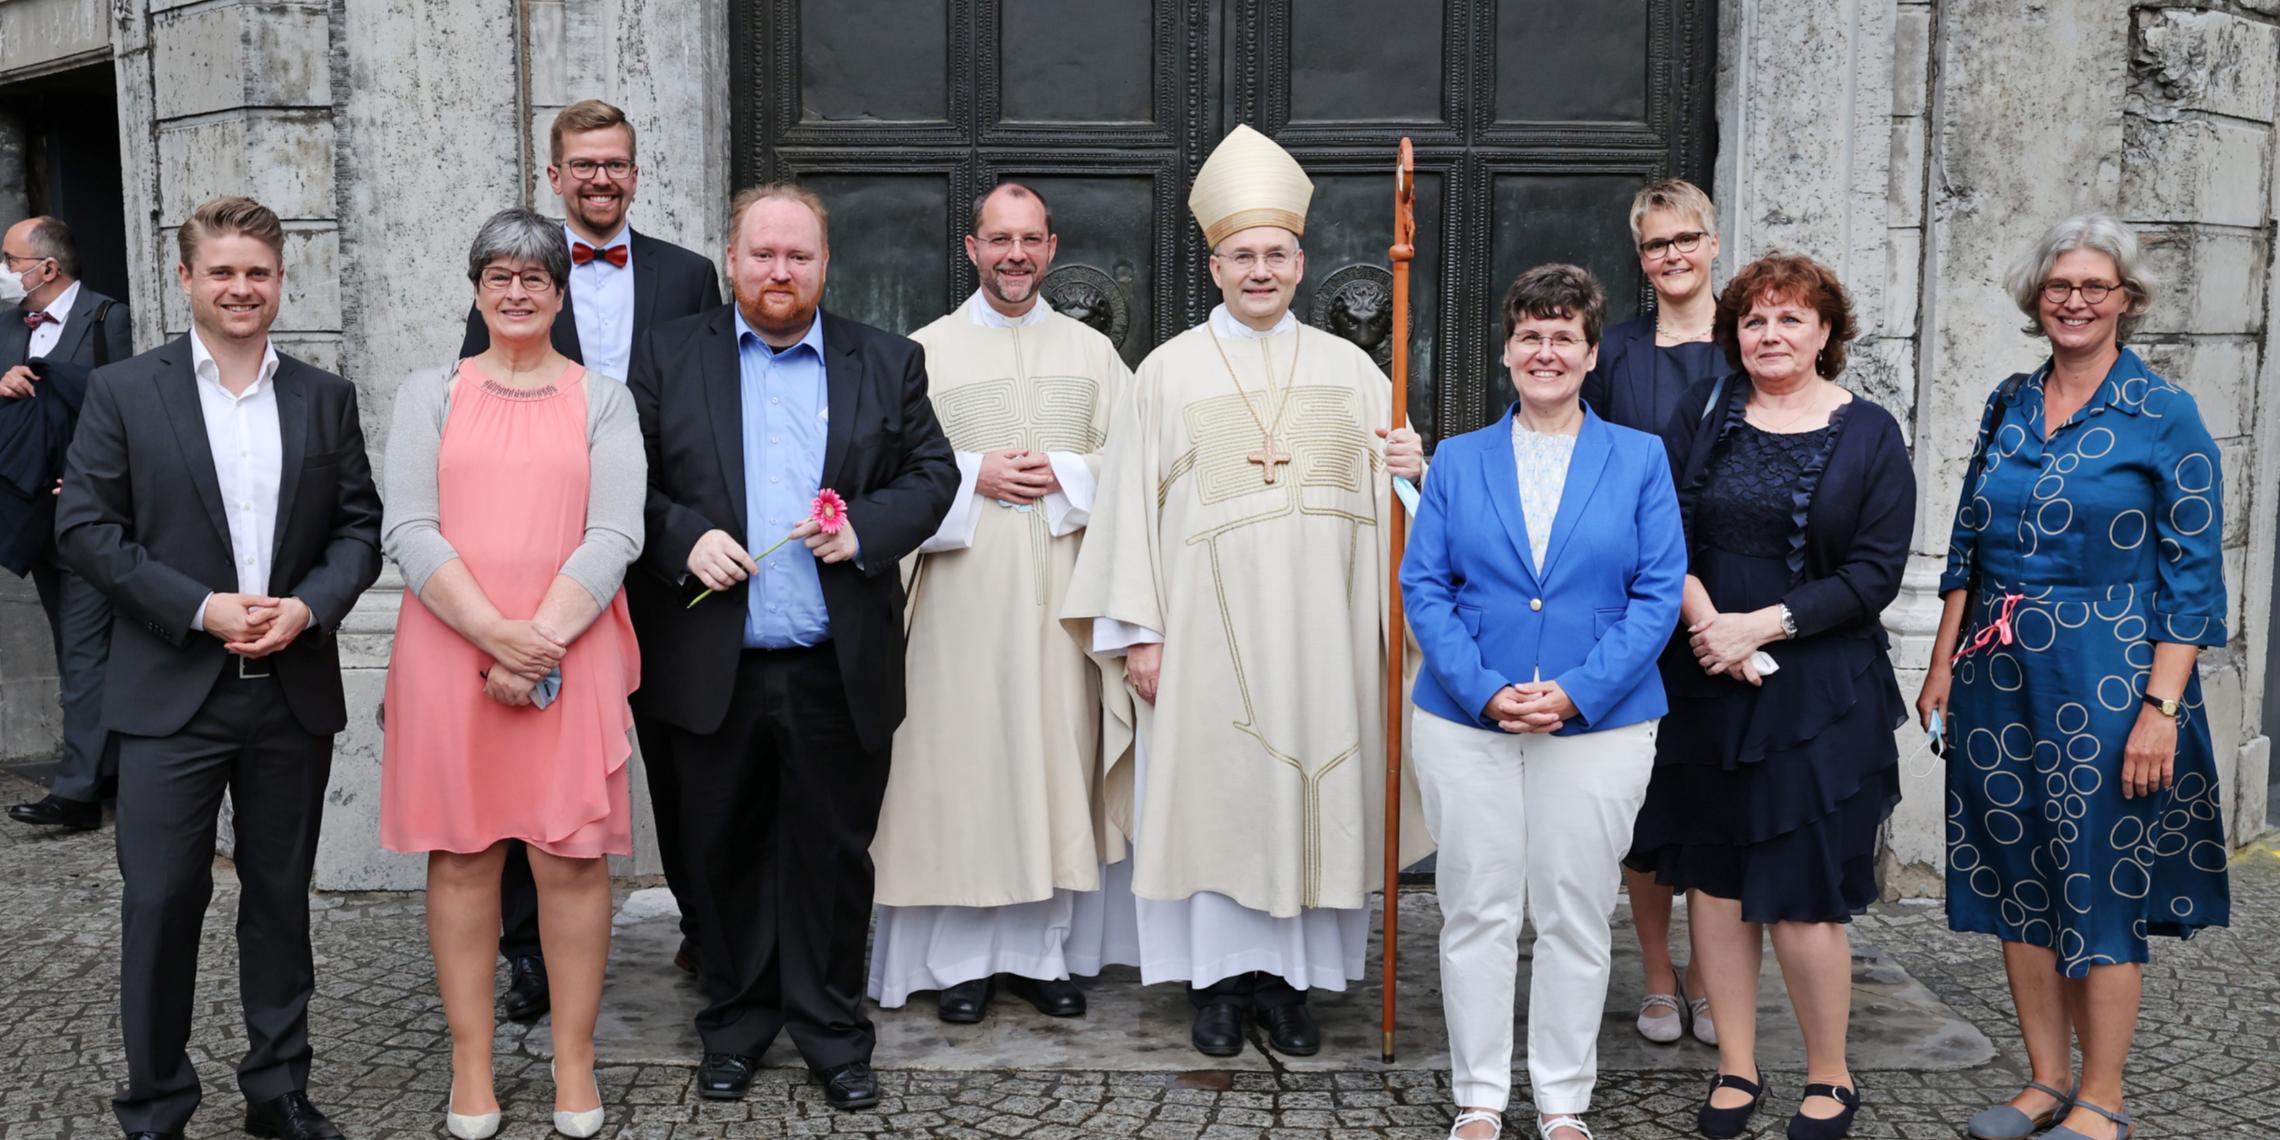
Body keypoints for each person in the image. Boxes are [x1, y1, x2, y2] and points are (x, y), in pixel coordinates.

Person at [1061, 124, 1429, 1059]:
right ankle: (1220, 986)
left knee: (1313, 785)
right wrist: (1138, 632)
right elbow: (1127, 519)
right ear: (1214, 264)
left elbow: (1400, 516)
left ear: (1301, 263)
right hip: (1204, 634)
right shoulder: (1166, 373)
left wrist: (1408, 468)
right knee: (1216, 797)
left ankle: (1292, 986)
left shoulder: (1356, 374)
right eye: (1242, 256)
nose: (1259, 271)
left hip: (1325, 632)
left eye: (1276, 254)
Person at [56, 196, 382, 1140]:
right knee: (161, 901)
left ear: (281, 281)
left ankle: (277, 1090)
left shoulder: (324, 395)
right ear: (187, 280)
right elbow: (84, 531)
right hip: (168, 695)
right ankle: (155, 1102)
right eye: (224, 272)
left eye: (259, 273)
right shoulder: (124, 391)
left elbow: (358, 528)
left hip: (290, 692)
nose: (242, 289)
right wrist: (200, 608)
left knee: (280, 901)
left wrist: (309, 606)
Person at [628, 183, 957, 1110]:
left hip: (832, 668)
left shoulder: (888, 361)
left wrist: (865, 531)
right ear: (731, 260)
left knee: (833, 859)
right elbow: (625, 482)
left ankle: (833, 1033)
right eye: (763, 254)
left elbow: (933, 474)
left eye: (798, 256)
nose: (780, 271)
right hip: (710, 668)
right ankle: (734, 1026)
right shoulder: (667, 357)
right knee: (718, 855)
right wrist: (680, 537)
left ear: (824, 265)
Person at [1919, 214, 2228, 1140]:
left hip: (2112, 676)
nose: (2076, 301)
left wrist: (2161, 708)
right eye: (2060, 286)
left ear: (2127, 301)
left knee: (2097, 879)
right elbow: (1967, 544)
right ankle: (2045, 1081)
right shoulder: (2008, 399)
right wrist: (1941, 664)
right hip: (1998, 677)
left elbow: (2194, 574)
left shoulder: (2163, 413)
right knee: (2019, 873)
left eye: (2096, 287)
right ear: (2035, 298)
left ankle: (2103, 1097)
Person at [1624, 253, 1914, 1140]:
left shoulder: (1870, 434)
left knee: (1800, 888)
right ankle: (1738, 1067)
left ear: (1827, 332)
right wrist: (1712, 624)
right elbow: (1659, 522)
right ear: (1734, 333)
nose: (1771, 335)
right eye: (1755, 320)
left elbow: (1874, 574)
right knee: (1712, 880)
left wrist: (1765, 627)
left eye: (1791, 319)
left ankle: (1829, 1075)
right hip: (1706, 677)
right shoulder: (1702, 412)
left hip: (1818, 694)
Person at [380, 208, 646, 1140]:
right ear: (477, 290)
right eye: (500, 275)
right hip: (453, 651)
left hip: (571, 652)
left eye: (536, 277)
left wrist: (541, 641)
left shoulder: (603, 399)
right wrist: (497, 637)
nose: (518, 291)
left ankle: (575, 1060)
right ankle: (472, 1064)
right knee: (463, 856)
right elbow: (408, 527)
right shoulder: (431, 394)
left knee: (571, 859)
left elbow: (617, 530)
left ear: (560, 295)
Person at [1404, 264, 1685, 1140]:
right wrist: (1486, 690)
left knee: (1573, 910)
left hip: (1600, 724)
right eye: (1530, 334)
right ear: (1507, 351)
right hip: (1466, 720)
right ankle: (1481, 1096)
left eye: (1564, 336)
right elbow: (1426, 588)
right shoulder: (1457, 459)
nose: (1546, 351)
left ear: (1592, 353)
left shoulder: (1638, 459)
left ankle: (1563, 1099)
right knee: (1478, 908)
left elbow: (1659, 590)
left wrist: (1578, 691)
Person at [459, 99, 723, 1024]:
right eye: (584, 164)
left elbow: (710, 413)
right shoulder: (515, 274)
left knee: (684, 752)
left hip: (660, 559)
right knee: (533, 764)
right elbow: (477, 404)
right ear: (555, 175)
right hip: (545, 567)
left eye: (616, 164)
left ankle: (706, 924)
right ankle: (529, 953)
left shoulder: (690, 277)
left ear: (635, 176)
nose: (601, 178)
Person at [867, 183, 1135, 1022]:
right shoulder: (923, 352)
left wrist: (1069, 473)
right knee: (963, 772)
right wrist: (970, 474)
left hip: (1061, 600)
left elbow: (1134, 469)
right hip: (957, 599)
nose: (1014, 254)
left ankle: (1043, 955)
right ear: (972, 247)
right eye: (998, 239)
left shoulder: (1093, 357)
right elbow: (883, 477)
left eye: (1030, 239)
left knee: (1050, 766)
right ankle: (959, 965)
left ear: (1051, 248)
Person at [1583, 182, 1727, 1047]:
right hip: (1636, 601)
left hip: (1733, 596)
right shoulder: (1616, 353)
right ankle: (1660, 981)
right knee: (1646, 801)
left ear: (1713, 242)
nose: (1672, 256)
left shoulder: (1755, 339)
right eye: (1654, 245)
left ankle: (1714, 979)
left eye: (1686, 240)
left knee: (1718, 798)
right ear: (1639, 257)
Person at [3, 215, 134, 833]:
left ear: (46, 268)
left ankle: (78, 792)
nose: (4, 271)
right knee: (74, 649)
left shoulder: (111, 320)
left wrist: (98, 482)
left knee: (86, 655)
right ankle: (101, 771)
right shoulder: (7, 326)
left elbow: (142, 411)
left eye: (9, 258)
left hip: (95, 517)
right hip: (34, 519)